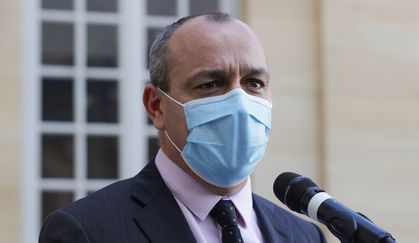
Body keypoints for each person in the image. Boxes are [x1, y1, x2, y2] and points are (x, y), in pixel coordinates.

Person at [39, 12, 327, 243]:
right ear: (156, 105)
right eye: (210, 85)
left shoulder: (304, 235)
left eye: (254, 83)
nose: (239, 103)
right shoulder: (86, 231)